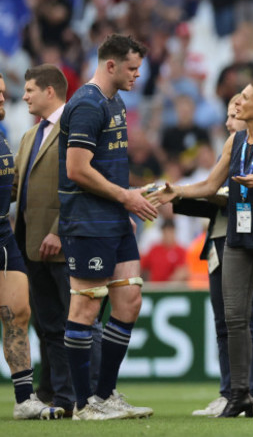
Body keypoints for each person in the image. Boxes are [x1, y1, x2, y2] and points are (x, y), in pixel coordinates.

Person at [150, 81, 253, 418]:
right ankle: (239, 395)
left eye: (245, 98)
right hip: (238, 239)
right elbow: (208, 184)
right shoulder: (235, 141)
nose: (238, 103)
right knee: (234, 318)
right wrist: (178, 192)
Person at [58, 34, 158, 420]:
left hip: (114, 219)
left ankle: (104, 394)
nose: (137, 75)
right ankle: (83, 404)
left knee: (129, 301)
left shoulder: (115, 102)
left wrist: (127, 201)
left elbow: (105, 166)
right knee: (85, 306)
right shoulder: (86, 104)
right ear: (111, 65)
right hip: (87, 221)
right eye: (132, 68)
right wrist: (125, 198)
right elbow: (76, 170)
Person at [176, 94, 253, 417]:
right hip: (219, 238)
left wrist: (189, 193)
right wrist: (180, 195)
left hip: (247, 243)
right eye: (229, 115)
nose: (229, 121)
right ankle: (230, 392)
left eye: (235, 115)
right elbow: (213, 192)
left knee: (251, 319)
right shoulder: (230, 147)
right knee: (224, 322)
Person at [13, 63, 90, 418]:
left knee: (80, 323)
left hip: (65, 243)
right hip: (30, 246)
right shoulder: (31, 135)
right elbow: (16, 188)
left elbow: (80, 184)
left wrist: (59, 230)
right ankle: (63, 397)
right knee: (48, 327)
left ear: (49, 91)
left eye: (29, 89)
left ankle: (90, 396)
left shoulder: (75, 126)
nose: (24, 96)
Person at [0, 72, 64, 420]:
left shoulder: (5, 137)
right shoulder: (18, 136)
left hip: (8, 237)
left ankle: (26, 398)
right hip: (15, 236)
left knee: (20, 315)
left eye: (2, 93)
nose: (5, 99)